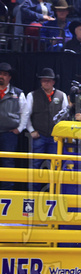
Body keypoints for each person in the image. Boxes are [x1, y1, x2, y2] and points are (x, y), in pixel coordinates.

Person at [24, 68, 67, 176]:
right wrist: (31, 130)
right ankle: (34, 192)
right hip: (39, 135)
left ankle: (53, 190)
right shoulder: (32, 95)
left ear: (53, 81)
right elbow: (26, 115)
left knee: (55, 165)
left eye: (48, 80)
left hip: (56, 137)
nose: (46, 82)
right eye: (43, 80)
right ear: (40, 82)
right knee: (35, 165)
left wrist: (62, 133)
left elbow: (66, 117)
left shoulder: (62, 95)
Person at [0, 63, 29, 191]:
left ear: (9, 77)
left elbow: (25, 112)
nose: (1, 76)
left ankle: (7, 192)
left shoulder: (18, 93)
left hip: (9, 134)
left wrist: (20, 129)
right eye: (0, 74)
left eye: (5, 74)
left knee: (8, 163)